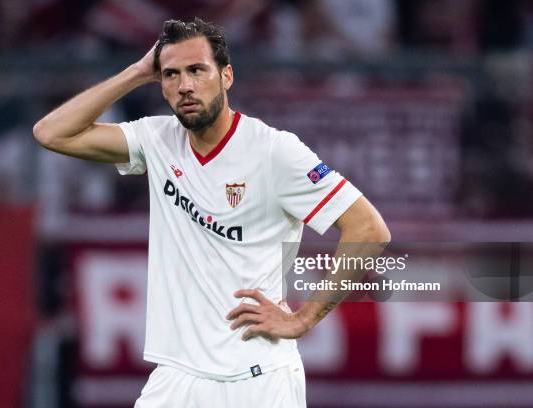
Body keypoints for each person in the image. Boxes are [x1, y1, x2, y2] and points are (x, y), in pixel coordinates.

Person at [33, 18, 390, 408]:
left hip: (257, 379)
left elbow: (368, 227)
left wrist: (303, 319)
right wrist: (136, 72)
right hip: (176, 378)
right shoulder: (156, 140)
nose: (185, 85)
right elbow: (53, 134)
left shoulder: (274, 151)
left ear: (226, 77)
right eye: (170, 74)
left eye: (197, 70)